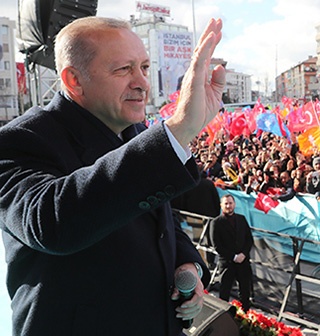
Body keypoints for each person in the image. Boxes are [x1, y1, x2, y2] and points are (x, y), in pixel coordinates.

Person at [0, 17, 222, 335]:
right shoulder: (19, 141)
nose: (142, 83)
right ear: (74, 80)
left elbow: (161, 219)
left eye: (145, 68)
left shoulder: (135, 133)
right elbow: (52, 223)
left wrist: (187, 262)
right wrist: (177, 131)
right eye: (123, 70)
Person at [212, 194, 254, 310]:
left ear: (234, 204)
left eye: (230, 203)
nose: (229, 206)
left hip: (243, 262)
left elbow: (249, 239)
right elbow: (217, 245)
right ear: (221, 206)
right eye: (226, 203)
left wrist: (243, 254)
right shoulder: (216, 222)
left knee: (245, 293)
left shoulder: (241, 219)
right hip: (227, 264)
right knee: (224, 293)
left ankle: (246, 317)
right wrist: (233, 256)